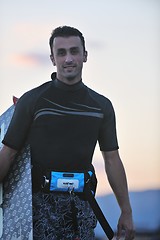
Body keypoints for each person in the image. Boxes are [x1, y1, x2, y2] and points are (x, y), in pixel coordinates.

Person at [0, 26, 134, 240]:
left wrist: (126, 211)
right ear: (53, 58)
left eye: (74, 51)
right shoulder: (33, 100)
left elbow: (112, 160)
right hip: (36, 211)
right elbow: (8, 154)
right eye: (61, 53)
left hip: (81, 206)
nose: (68, 58)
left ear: (85, 55)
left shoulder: (101, 106)